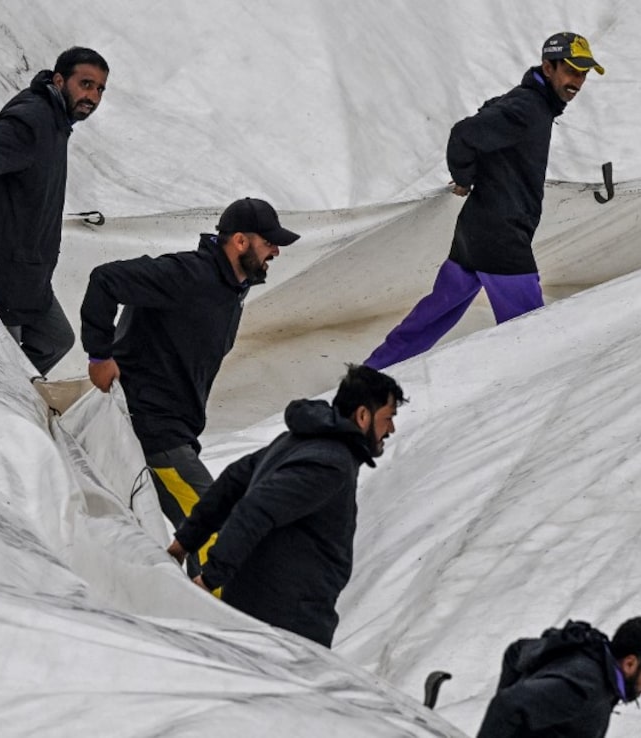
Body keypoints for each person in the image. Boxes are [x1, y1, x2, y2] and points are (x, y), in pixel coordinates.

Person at [80, 197, 300, 574]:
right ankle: (211, 620)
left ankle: (190, 598)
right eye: (269, 242)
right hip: (152, 431)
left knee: (209, 529)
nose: (276, 251)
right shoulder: (187, 274)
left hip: (177, 431)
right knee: (218, 532)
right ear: (241, 242)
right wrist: (99, 356)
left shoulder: (231, 289)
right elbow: (106, 279)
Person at [365, 32, 605, 370]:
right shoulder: (529, 108)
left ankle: (369, 375)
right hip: (501, 239)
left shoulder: (529, 102)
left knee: (433, 317)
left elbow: (485, 121)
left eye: (583, 74)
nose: (577, 82)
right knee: (533, 337)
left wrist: (474, 173)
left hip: (474, 233)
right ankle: (538, 401)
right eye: (571, 71)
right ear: (548, 67)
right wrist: (464, 177)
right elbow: (465, 133)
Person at [166, 365, 405, 648]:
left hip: (260, 610)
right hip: (285, 625)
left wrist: (183, 544)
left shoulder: (297, 441)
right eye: (387, 418)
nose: (391, 429)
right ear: (363, 415)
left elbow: (232, 481)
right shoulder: (331, 464)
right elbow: (255, 508)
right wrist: (209, 579)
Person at [0, 46, 109, 376]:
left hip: (30, 277)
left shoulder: (57, 121)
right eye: (86, 84)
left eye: (99, 89)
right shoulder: (33, 120)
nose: (92, 96)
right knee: (0, 369)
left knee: (55, 339)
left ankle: (14, 391)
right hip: (3, 275)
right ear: (60, 80)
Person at [477, 616, 641, 737]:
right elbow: (508, 704)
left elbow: (517, 652)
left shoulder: (590, 656)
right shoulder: (586, 687)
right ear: (630, 663)